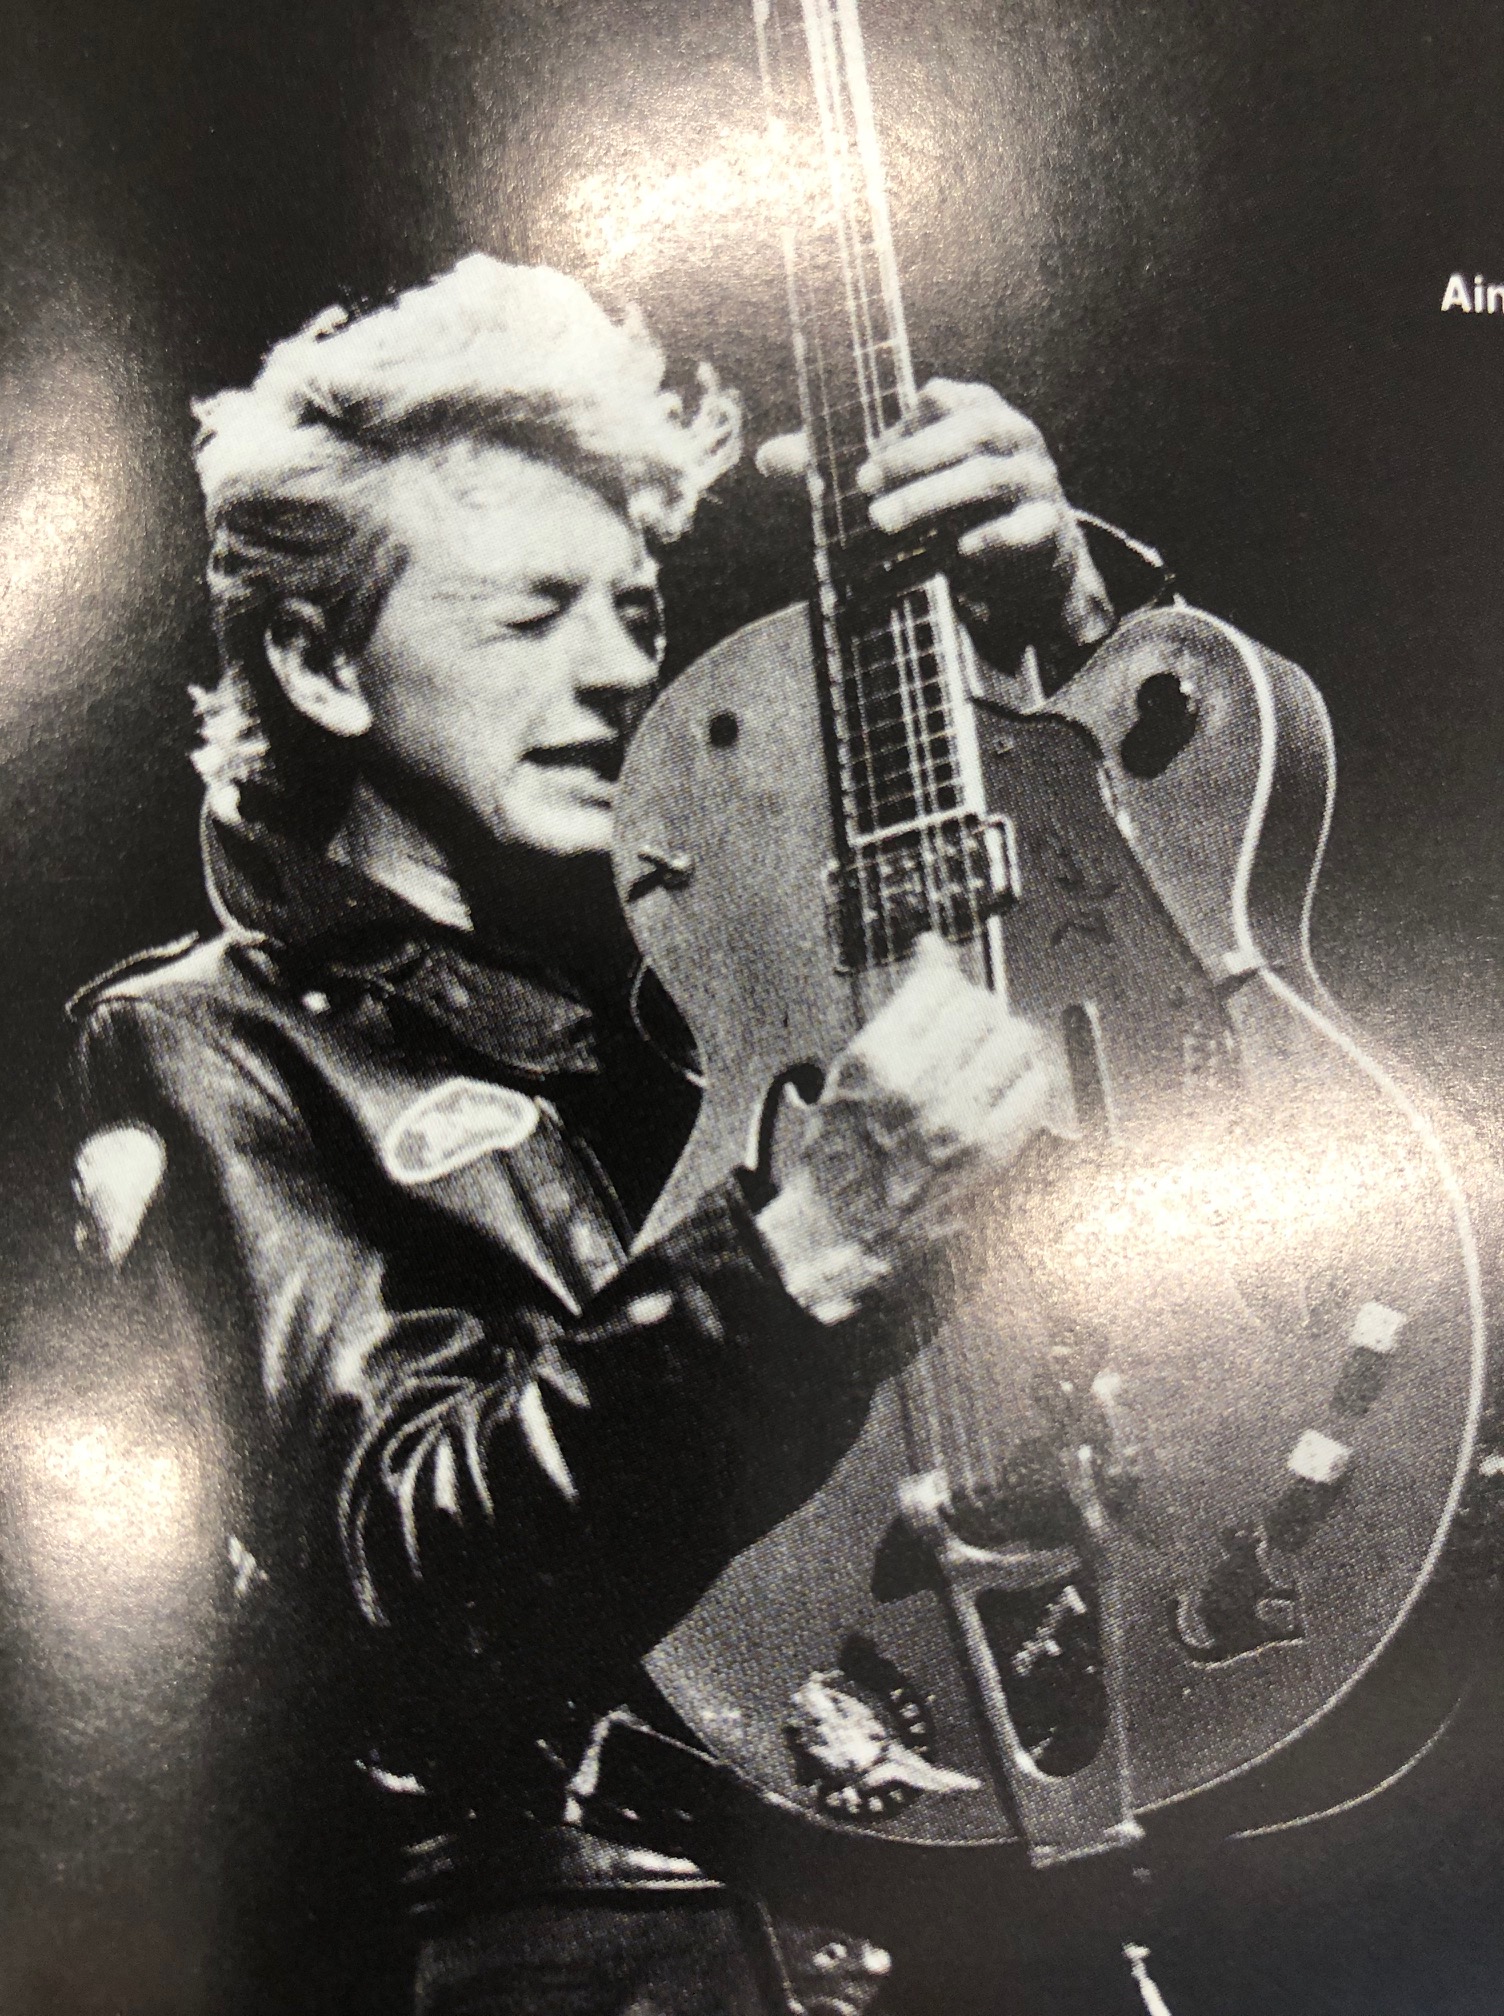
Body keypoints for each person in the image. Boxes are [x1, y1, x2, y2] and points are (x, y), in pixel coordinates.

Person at [64, 255, 1173, 2015]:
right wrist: (805, 1248)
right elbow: (410, 1567)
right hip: (609, 1955)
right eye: (530, 620)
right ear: (320, 662)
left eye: (634, 613)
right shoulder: (209, 1042)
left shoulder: (710, 956)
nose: (616, 676)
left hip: (986, 1896)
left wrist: (1066, 637)